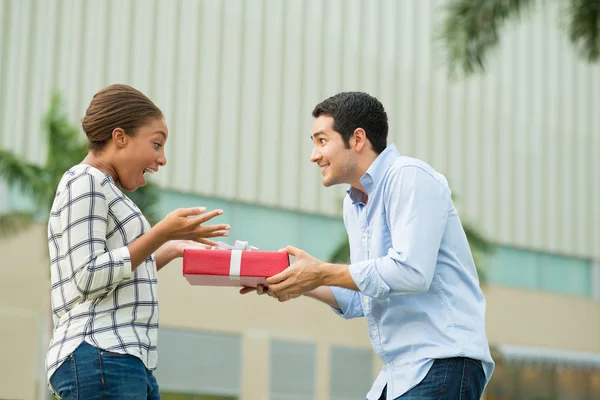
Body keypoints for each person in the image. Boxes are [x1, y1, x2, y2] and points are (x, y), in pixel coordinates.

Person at [243, 92, 494, 399]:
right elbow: (359, 298)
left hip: (441, 360)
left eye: (322, 140)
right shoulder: (354, 204)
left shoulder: (408, 176)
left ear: (358, 138)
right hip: (399, 372)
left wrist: (320, 273)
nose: (313, 155)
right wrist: (294, 279)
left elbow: (411, 272)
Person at [46, 84, 230, 399]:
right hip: (101, 351)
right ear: (120, 137)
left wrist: (171, 249)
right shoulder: (85, 182)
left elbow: (116, 274)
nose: (162, 159)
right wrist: (161, 233)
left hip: (123, 357)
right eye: (156, 144)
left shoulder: (107, 188)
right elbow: (88, 278)